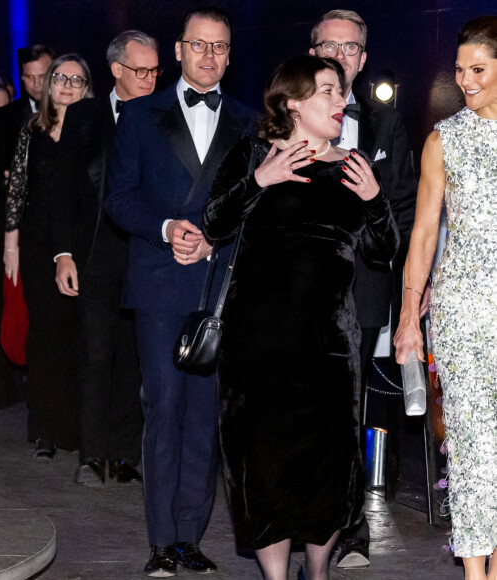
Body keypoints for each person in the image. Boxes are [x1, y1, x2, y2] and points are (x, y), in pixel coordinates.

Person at [203, 54, 399, 580]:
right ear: (294, 102)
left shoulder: (354, 166)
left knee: (327, 470)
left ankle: (317, 571)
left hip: (329, 345)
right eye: (329, 92)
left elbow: (383, 251)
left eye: (341, 93)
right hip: (257, 346)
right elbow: (214, 221)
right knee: (263, 466)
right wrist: (261, 180)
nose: (342, 101)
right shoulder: (253, 153)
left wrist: (375, 199)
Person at [107, 7, 254, 577]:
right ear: (178, 50)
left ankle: (190, 537)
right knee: (163, 407)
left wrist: (215, 239)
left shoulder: (246, 120)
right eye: (200, 45)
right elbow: (119, 198)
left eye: (220, 47)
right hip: (160, 281)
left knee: (204, 417)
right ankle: (160, 541)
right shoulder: (141, 117)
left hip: (218, 284)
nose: (210, 57)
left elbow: (254, 202)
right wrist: (169, 229)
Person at [309, 9, 417, 568]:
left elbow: (401, 205)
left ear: (363, 59)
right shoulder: (287, 117)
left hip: (364, 287)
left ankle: (350, 529)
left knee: (351, 410)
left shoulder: (386, 124)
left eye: (350, 48)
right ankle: (306, 523)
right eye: (329, 45)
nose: (339, 55)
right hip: (301, 288)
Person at [394, 15, 497, 580]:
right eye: (460, 70)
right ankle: (475, 575)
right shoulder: (445, 139)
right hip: (462, 313)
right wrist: (410, 317)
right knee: (474, 447)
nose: (465, 81)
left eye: (477, 69)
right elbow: (425, 235)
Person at [51, 30, 161, 486]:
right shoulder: (83, 117)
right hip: (95, 254)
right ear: (116, 70)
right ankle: (92, 455)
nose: (151, 79)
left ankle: (124, 455)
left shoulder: (165, 116)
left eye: (156, 70)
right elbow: (63, 190)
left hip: (147, 255)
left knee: (135, 362)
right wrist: (63, 254)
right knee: (95, 356)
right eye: (141, 70)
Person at [4, 54, 93, 460]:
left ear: (88, 87)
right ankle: (44, 428)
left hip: (87, 243)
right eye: (61, 77)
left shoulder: (97, 130)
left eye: (77, 79)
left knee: (80, 337)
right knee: (45, 337)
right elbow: (17, 189)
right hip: (40, 246)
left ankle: (75, 428)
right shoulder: (32, 129)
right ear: (49, 83)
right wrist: (11, 244)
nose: (68, 85)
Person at [0, 45, 55, 208]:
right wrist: (10, 187)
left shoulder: (70, 112)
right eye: (30, 76)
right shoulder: (5, 116)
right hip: (18, 215)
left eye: (42, 76)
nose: (36, 84)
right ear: (21, 77)